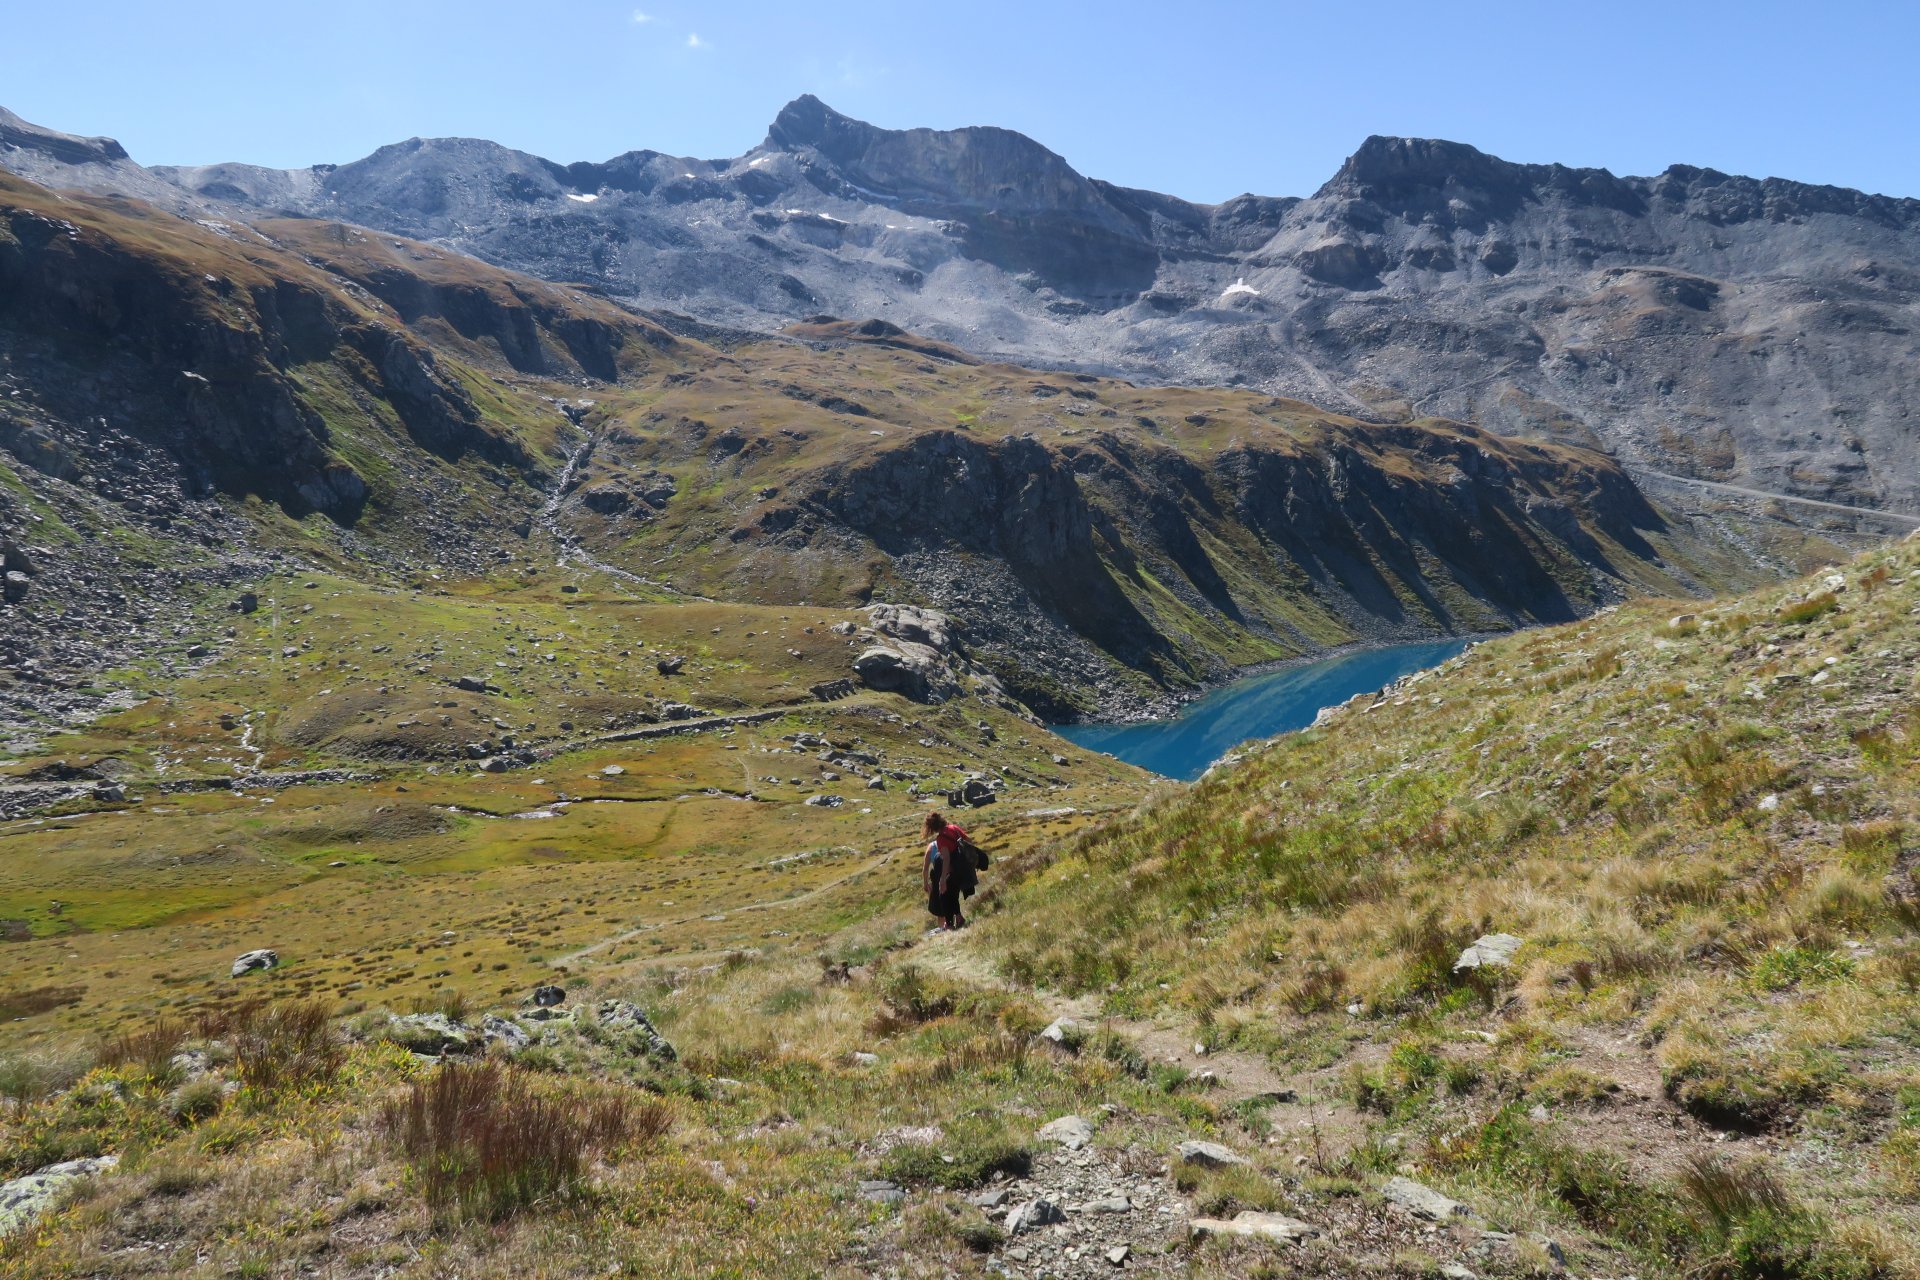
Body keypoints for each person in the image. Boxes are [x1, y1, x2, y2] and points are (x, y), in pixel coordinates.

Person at [922, 809, 969, 931]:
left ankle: (948, 924)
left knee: (944, 895)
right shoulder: (954, 828)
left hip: (951, 871)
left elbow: (946, 859)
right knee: (953, 894)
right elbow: (969, 841)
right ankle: (958, 918)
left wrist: (942, 879)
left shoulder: (941, 838)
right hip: (963, 868)